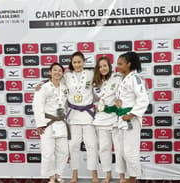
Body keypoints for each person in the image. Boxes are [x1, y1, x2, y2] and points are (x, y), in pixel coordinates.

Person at [64, 51, 99, 183]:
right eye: (75, 62)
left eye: (79, 62)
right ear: (71, 64)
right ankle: (74, 174)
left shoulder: (90, 74)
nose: (77, 64)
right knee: (73, 145)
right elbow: (53, 80)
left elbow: (105, 78)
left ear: (84, 62)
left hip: (88, 115)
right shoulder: (67, 76)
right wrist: (41, 84)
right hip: (73, 115)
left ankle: (94, 174)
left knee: (92, 145)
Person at [115, 51, 149, 183]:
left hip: (131, 121)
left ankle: (133, 179)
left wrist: (132, 114)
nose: (118, 66)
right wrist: (118, 103)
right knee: (123, 152)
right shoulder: (124, 78)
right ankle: (130, 177)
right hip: (122, 119)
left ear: (129, 64)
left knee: (130, 152)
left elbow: (143, 99)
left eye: (120, 64)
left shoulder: (135, 78)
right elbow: (127, 98)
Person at [33, 63, 69, 183]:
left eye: (60, 70)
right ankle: (51, 176)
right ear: (50, 72)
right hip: (48, 123)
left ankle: (59, 173)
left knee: (63, 151)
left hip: (61, 123)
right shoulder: (43, 87)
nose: (57, 72)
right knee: (48, 153)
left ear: (62, 73)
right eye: (55, 70)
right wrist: (40, 124)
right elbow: (37, 106)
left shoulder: (64, 88)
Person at [92, 56, 124, 183]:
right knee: (104, 148)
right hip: (101, 119)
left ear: (109, 66)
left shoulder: (118, 77)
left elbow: (129, 88)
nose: (102, 68)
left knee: (119, 148)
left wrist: (120, 101)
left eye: (105, 65)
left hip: (116, 119)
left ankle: (122, 176)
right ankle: (107, 174)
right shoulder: (95, 82)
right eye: (100, 66)